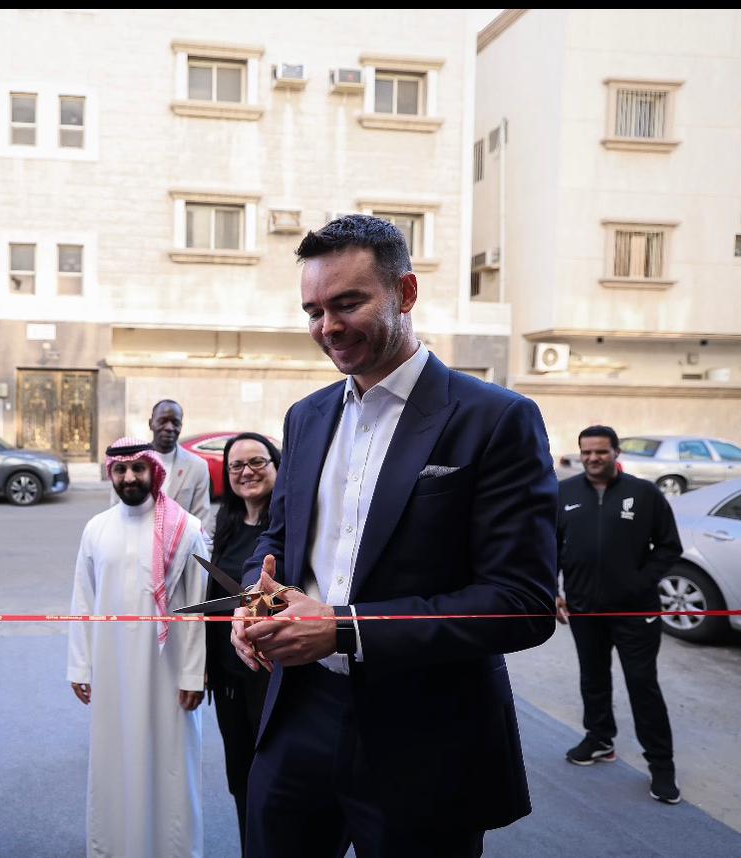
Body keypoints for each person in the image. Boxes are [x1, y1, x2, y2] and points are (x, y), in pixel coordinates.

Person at [230, 214, 558, 857]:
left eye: (349, 303)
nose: (328, 327)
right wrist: (256, 600)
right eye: (314, 310)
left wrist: (343, 627)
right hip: (299, 714)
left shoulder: (496, 419)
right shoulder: (307, 416)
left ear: (405, 294)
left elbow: (521, 604)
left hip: (427, 736)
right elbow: (274, 544)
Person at [68, 437, 209, 857]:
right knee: (114, 763)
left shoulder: (186, 529)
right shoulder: (96, 528)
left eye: (138, 469)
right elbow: (83, 598)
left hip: (167, 673)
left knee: (170, 767)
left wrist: (192, 674)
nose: (129, 477)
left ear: (154, 471)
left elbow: (198, 610)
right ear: (111, 474)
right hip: (111, 669)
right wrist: (80, 666)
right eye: (120, 470)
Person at [557, 425, 683, 804]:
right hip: (583, 608)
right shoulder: (564, 493)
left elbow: (668, 546)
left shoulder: (643, 494)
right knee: (593, 677)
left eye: (601, 452)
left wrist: (640, 583)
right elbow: (546, 545)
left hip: (635, 611)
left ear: (616, 453)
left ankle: (661, 767)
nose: (593, 458)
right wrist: (553, 590)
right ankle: (599, 739)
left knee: (642, 685)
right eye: (587, 452)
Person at [206, 432, 278, 852]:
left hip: (273, 678)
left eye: (257, 462)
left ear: (276, 466)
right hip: (229, 677)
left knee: (274, 778)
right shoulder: (227, 523)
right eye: (236, 466)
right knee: (241, 776)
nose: (246, 472)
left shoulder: (288, 526)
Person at [111, 399, 212, 534]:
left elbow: (201, 521)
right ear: (150, 423)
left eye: (175, 423)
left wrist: (194, 554)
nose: (169, 427)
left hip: (180, 551)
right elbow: (116, 511)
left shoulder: (197, 466)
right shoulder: (128, 463)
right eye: (163, 421)